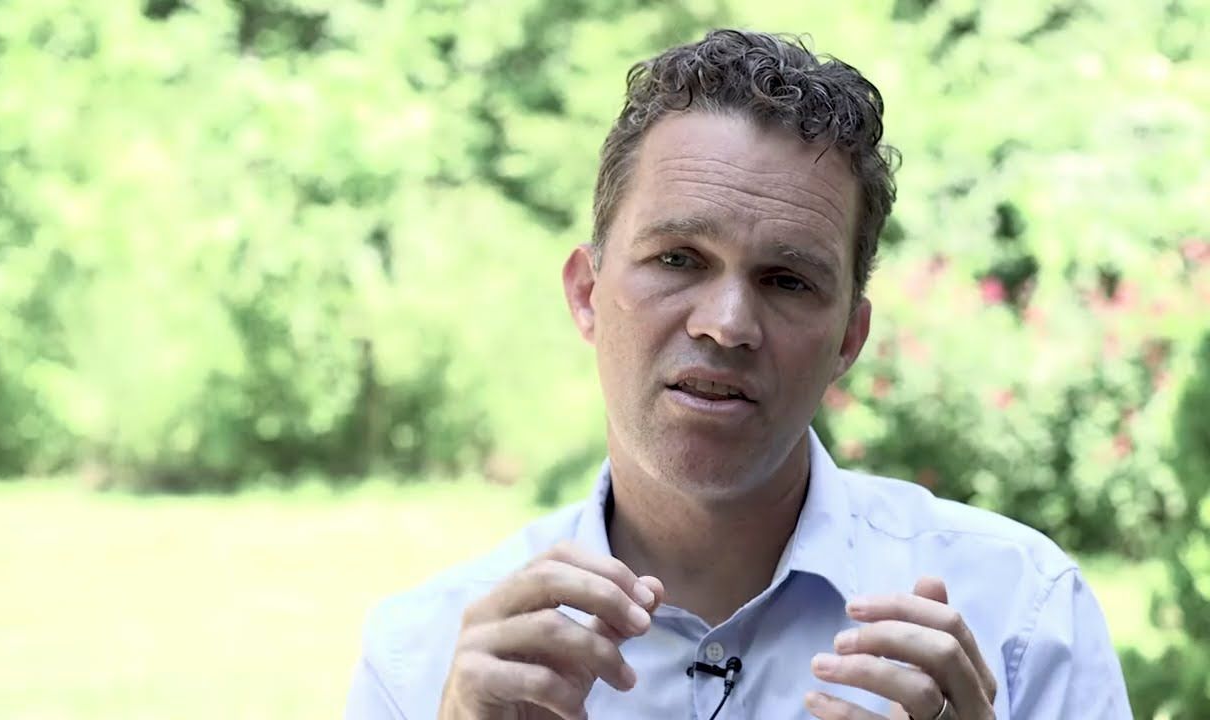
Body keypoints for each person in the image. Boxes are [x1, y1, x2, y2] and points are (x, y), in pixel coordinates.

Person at [346, 29, 1131, 720]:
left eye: (787, 280)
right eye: (678, 259)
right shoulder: (430, 661)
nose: (726, 324)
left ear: (849, 339)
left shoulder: (1021, 618)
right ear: (587, 294)